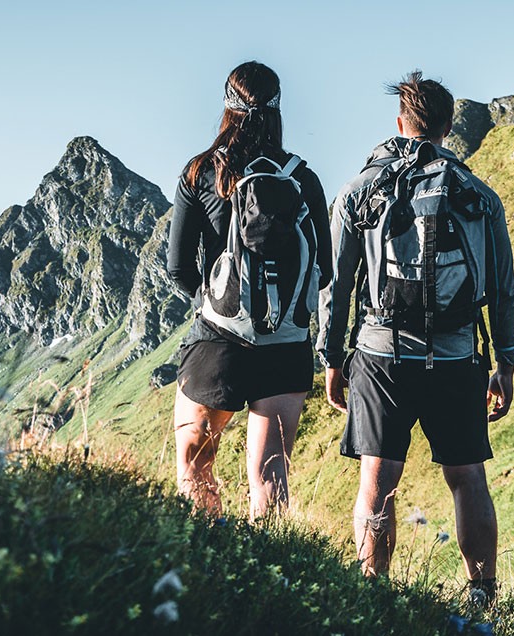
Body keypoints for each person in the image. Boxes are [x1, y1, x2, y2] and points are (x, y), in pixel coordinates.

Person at [317, 71, 514, 600]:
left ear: (400, 123)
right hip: (455, 356)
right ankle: (482, 593)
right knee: (468, 477)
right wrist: (506, 362)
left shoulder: (360, 189)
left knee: (377, 482)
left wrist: (331, 359)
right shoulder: (477, 194)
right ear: (448, 126)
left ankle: (373, 593)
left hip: (381, 355)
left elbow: (337, 285)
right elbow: (502, 288)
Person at [166, 61, 332, 520]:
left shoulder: (200, 172)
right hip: (286, 344)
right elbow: (327, 270)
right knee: (270, 475)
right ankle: (271, 576)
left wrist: (217, 303)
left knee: (195, 463)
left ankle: (210, 561)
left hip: (220, 338)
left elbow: (178, 268)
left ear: (227, 106)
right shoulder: (303, 178)